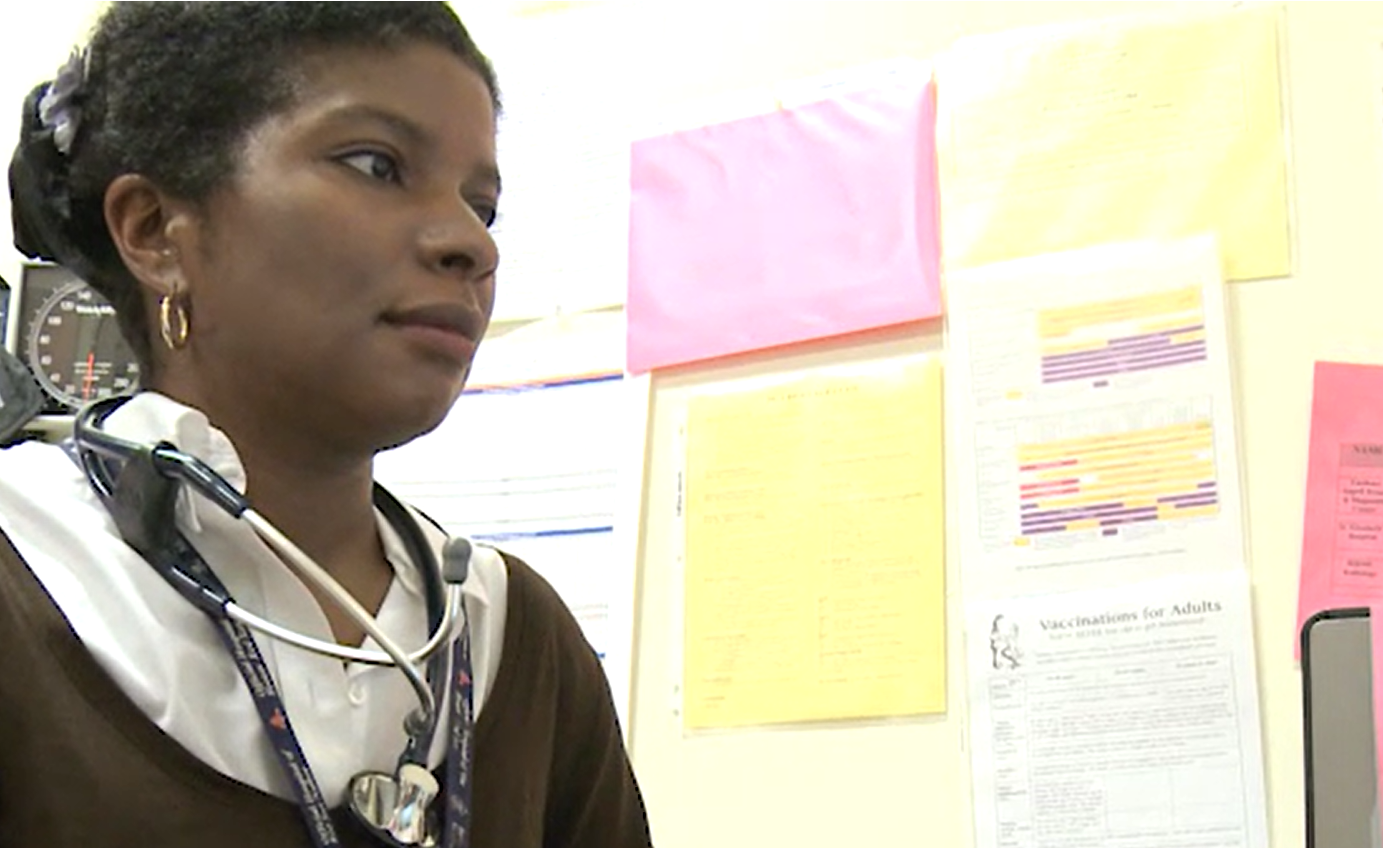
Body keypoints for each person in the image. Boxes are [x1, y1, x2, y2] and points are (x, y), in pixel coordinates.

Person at [0, 4, 654, 847]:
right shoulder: (30, 581)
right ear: (156, 231)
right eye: (377, 164)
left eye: (481, 206)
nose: (470, 244)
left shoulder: (513, 634)